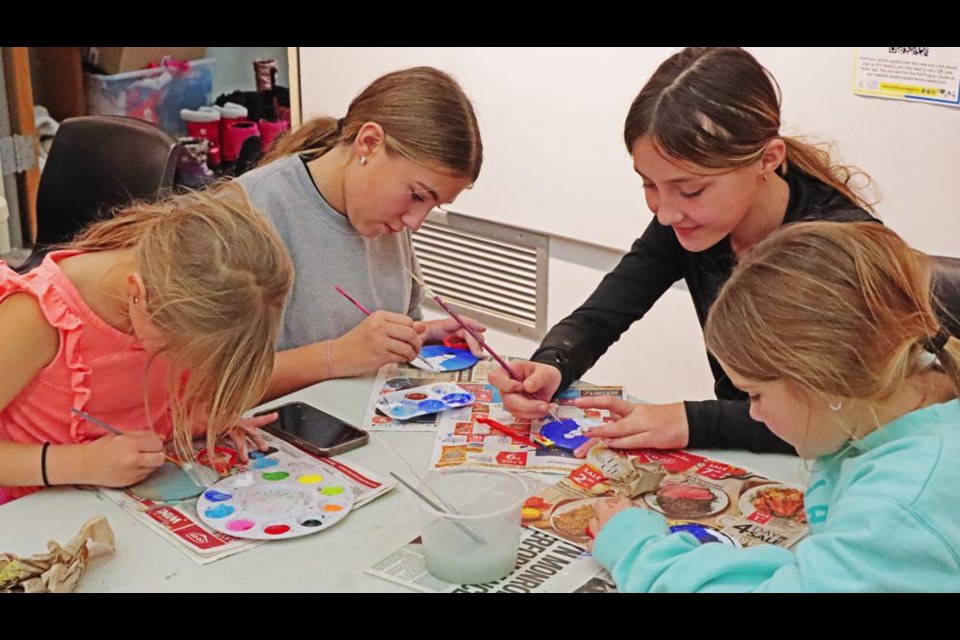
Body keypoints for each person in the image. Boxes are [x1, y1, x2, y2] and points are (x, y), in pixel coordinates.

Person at [488, 47, 879, 455]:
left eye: (691, 189)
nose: (666, 213)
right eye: (649, 185)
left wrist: (691, 420)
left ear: (767, 159)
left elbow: (844, 416)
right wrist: (553, 363)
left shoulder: (841, 249)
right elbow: (601, 315)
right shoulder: (687, 221)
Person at [587, 221, 960, 592]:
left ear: (822, 381)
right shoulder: (905, 410)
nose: (752, 414)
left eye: (754, 394)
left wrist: (639, 552)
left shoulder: (901, 504)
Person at [0, 185, 294, 505]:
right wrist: (80, 463)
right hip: (32, 513)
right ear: (138, 294)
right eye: (174, 353)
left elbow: (144, 396)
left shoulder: (162, 300)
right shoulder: (34, 317)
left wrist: (193, 417)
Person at [235, 66, 488, 400]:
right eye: (417, 195)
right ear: (369, 143)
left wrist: (422, 335)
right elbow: (206, 388)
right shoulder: (249, 214)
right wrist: (336, 356)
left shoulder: (382, 217)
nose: (415, 222)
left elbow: (378, 331)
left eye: (434, 205)